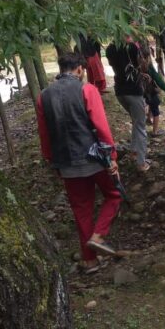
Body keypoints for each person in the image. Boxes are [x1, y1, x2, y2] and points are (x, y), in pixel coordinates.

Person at [36, 53, 122, 273]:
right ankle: (98, 236)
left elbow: (45, 134)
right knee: (114, 195)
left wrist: (50, 160)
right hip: (93, 159)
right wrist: (111, 156)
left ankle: (89, 260)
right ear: (80, 70)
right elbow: (101, 127)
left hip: (65, 162)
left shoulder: (43, 96)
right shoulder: (87, 90)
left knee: (81, 209)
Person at [106, 35, 151, 172]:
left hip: (120, 91)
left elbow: (121, 68)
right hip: (133, 91)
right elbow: (143, 65)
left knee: (136, 121)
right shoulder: (132, 47)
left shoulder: (110, 48)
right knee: (140, 125)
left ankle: (134, 152)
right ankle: (141, 163)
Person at [138, 46, 165, 137]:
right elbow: (158, 79)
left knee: (150, 104)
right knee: (156, 110)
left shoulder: (135, 65)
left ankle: (149, 119)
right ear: (148, 56)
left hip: (141, 92)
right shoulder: (148, 66)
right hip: (150, 91)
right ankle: (155, 131)